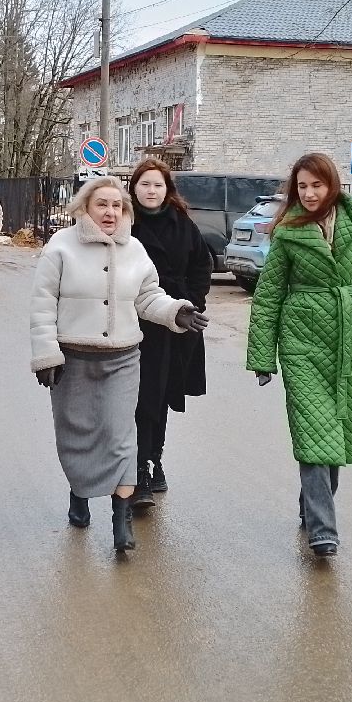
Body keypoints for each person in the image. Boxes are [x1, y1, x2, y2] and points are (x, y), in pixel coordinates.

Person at [29, 177, 209, 554]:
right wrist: (46, 353)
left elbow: (148, 298)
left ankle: (120, 517)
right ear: (84, 208)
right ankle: (80, 492)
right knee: (77, 432)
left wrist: (176, 311)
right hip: (73, 357)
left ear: (125, 211)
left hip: (123, 357)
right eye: (102, 204)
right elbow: (43, 304)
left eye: (117, 205)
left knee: (122, 435)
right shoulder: (60, 247)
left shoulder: (135, 250)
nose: (110, 212)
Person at [245, 152, 352, 558]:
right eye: (302, 186)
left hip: (346, 340)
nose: (309, 193)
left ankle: (313, 505)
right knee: (314, 429)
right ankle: (324, 529)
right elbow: (270, 294)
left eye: (316, 185)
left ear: (332, 185)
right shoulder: (288, 230)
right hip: (301, 343)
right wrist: (262, 355)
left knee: (335, 431)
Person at [126, 158, 211, 509]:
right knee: (139, 397)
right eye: (145, 184)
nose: (151, 190)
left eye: (157, 185)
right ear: (134, 187)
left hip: (176, 323)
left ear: (167, 189)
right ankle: (137, 468)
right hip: (136, 323)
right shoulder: (124, 223)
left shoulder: (183, 224)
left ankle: (153, 459)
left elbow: (202, 264)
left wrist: (191, 300)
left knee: (161, 396)